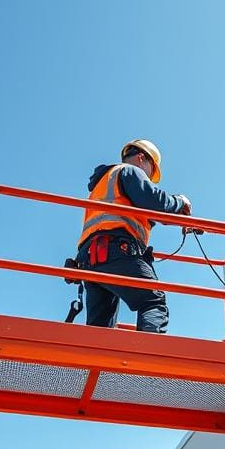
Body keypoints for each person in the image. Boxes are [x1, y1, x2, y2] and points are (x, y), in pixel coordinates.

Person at [76, 139, 191, 333]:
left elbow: (150, 213)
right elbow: (154, 201)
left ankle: (96, 363)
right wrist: (180, 202)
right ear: (141, 158)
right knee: (152, 301)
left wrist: (180, 220)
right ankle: (146, 361)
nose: (148, 178)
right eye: (150, 172)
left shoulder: (103, 186)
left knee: (100, 328)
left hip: (90, 260)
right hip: (117, 250)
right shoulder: (130, 171)